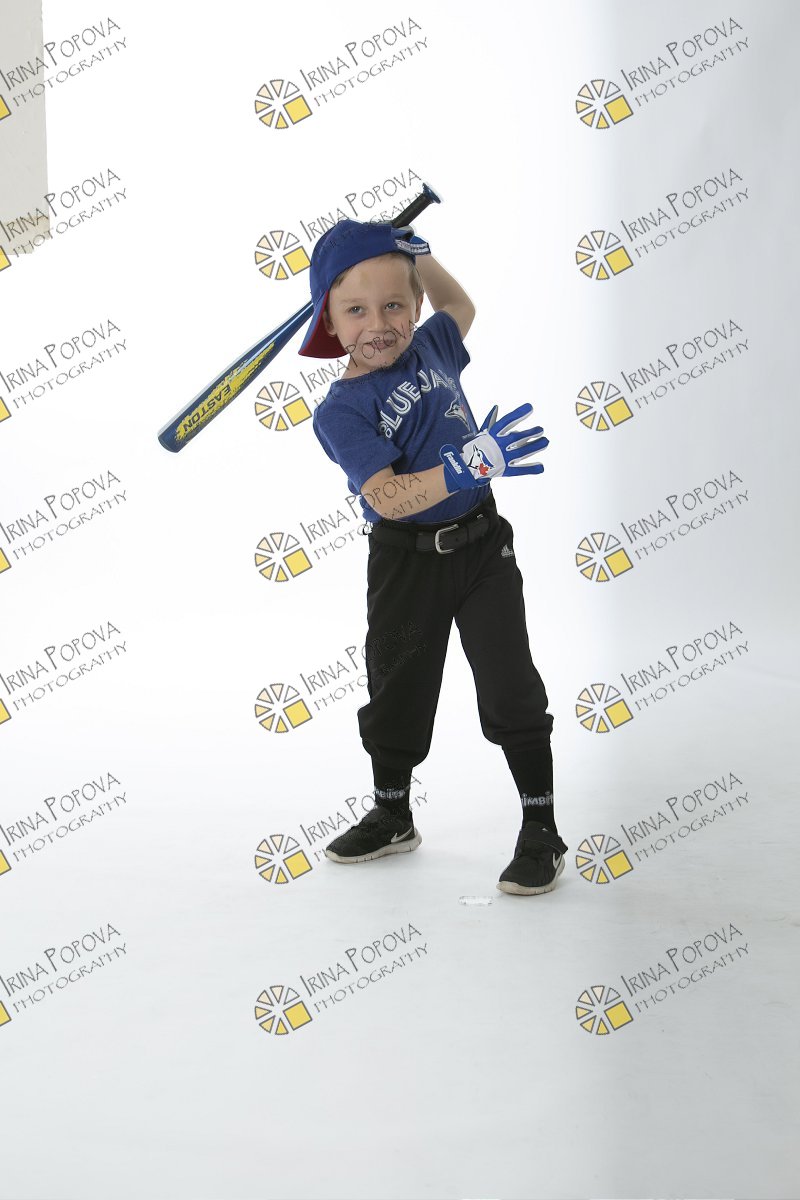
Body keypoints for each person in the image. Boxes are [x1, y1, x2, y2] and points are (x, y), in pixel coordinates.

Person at [297, 217, 568, 895]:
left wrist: (423, 254)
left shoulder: (434, 345)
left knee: (510, 686)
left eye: (394, 304)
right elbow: (388, 498)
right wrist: (462, 467)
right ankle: (393, 817)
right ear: (329, 321)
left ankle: (542, 829)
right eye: (355, 311)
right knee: (398, 689)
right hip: (406, 560)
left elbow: (460, 305)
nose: (378, 324)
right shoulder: (341, 411)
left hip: (483, 548)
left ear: (415, 306)